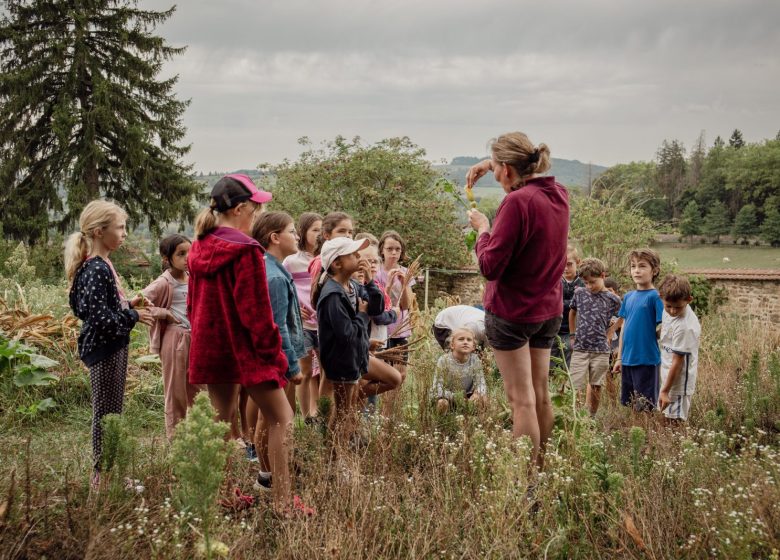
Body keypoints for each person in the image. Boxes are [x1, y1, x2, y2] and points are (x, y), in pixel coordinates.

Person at [187, 174, 301, 514]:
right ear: (240, 209)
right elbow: (256, 313)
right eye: (256, 208)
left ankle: (222, 497)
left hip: (211, 348)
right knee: (282, 418)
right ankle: (283, 501)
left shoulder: (199, 247)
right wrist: (274, 356)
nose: (257, 216)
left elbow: (193, 306)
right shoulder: (246, 250)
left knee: (222, 423)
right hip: (248, 351)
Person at [466, 131, 569, 469]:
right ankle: (541, 468)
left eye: (496, 169)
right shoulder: (558, 194)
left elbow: (490, 266)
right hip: (547, 310)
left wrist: (483, 229)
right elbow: (522, 174)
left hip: (511, 313)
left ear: (508, 170)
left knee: (520, 400)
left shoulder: (515, 202)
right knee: (540, 395)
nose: (494, 174)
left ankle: (526, 484)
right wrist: (490, 163)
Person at [65, 200, 154, 487]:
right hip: (104, 348)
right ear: (100, 231)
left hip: (111, 346)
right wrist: (134, 315)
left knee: (112, 412)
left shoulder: (100, 266)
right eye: (120, 227)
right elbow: (99, 318)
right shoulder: (96, 269)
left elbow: (99, 307)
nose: (125, 233)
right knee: (106, 414)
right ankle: (101, 480)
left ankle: (109, 474)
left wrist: (129, 302)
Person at [250, 211, 306, 492]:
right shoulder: (273, 276)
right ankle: (269, 476)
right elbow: (278, 326)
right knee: (275, 419)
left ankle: (267, 473)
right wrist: (293, 366)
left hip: (274, 359)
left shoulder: (273, 268)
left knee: (268, 417)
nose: (297, 236)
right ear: (275, 237)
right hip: (276, 360)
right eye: (292, 231)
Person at [313, 237, 384, 443]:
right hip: (342, 361)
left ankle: (337, 455)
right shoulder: (333, 295)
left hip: (353, 357)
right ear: (337, 263)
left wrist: (370, 282)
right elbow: (346, 333)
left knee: (346, 409)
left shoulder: (351, 286)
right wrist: (362, 315)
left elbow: (377, 308)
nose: (359, 257)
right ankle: (336, 457)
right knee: (343, 413)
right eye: (353, 254)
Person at [142, 234, 199, 440]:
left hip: (196, 339)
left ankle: (200, 436)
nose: (187, 258)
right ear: (167, 258)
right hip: (175, 340)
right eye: (181, 254)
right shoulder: (163, 283)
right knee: (175, 392)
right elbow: (138, 302)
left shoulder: (194, 278)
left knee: (200, 390)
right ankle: (176, 440)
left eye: (190, 252)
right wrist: (163, 313)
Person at [611, 249, 664, 412]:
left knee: (645, 407)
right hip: (628, 359)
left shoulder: (656, 297)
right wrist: (620, 358)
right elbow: (624, 328)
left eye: (642, 266)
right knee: (632, 405)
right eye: (633, 266)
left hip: (647, 359)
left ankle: (646, 435)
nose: (636, 270)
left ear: (654, 270)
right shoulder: (628, 297)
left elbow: (663, 328)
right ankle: (636, 431)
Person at [568, 258, 621, 417]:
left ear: (603, 276)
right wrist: (572, 334)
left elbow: (624, 315)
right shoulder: (579, 293)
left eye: (593, 282)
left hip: (601, 350)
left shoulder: (612, 298)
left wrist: (611, 332)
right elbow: (572, 312)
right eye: (586, 283)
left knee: (596, 384)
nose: (589, 286)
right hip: (580, 348)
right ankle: (575, 415)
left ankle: (591, 416)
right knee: (574, 385)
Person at [283, 212, 323, 421]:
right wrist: (295, 307)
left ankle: (322, 411)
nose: (318, 234)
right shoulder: (292, 261)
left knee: (326, 371)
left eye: (321, 230)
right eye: (314, 229)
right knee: (305, 371)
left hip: (324, 322)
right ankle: (307, 415)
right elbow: (285, 287)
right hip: (303, 324)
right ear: (303, 232)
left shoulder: (326, 257)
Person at [376, 230, 415, 413]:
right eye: (389, 248)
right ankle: (377, 412)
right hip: (382, 331)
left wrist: (404, 282)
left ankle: (390, 414)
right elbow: (380, 303)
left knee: (401, 374)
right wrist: (389, 284)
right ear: (382, 250)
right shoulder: (376, 272)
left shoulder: (406, 272)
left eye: (397, 249)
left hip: (401, 330)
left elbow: (406, 305)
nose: (393, 253)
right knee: (383, 376)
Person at [657, 274, 700, 422]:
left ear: (689, 300)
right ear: (661, 298)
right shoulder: (667, 310)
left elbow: (678, 361)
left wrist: (665, 391)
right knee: (666, 418)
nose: (673, 311)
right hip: (667, 375)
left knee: (675, 422)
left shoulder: (685, 326)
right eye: (668, 306)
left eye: (678, 307)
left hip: (679, 382)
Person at [431, 328, 488, 413]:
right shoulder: (444, 360)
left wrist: (476, 394)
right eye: (461, 339)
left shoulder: (475, 360)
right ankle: (440, 424)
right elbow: (437, 387)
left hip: (468, 398)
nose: (465, 342)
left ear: (473, 346)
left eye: (469, 340)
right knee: (442, 403)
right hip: (447, 398)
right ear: (452, 345)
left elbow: (481, 383)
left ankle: (475, 423)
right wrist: (456, 397)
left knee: (483, 398)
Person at [551, 245, 584, 370]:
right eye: (562, 263)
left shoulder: (584, 283)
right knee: (551, 369)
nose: (565, 268)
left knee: (571, 368)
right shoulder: (554, 282)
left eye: (569, 264)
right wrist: (571, 303)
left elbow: (583, 305)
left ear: (578, 262)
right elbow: (552, 302)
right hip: (554, 330)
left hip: (574, 332)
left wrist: (564, 303)